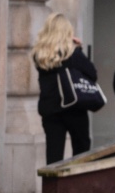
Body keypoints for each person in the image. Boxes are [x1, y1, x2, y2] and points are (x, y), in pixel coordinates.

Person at [33, 13, 101, 163]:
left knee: (53, 157)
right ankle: (77, 186)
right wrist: (78, 49)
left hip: (50, 110)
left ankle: (52, 186)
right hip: (74, 108)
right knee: (81, 152)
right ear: (66, 32)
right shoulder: (73, 55)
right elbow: (92, 74)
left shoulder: (40, 55)